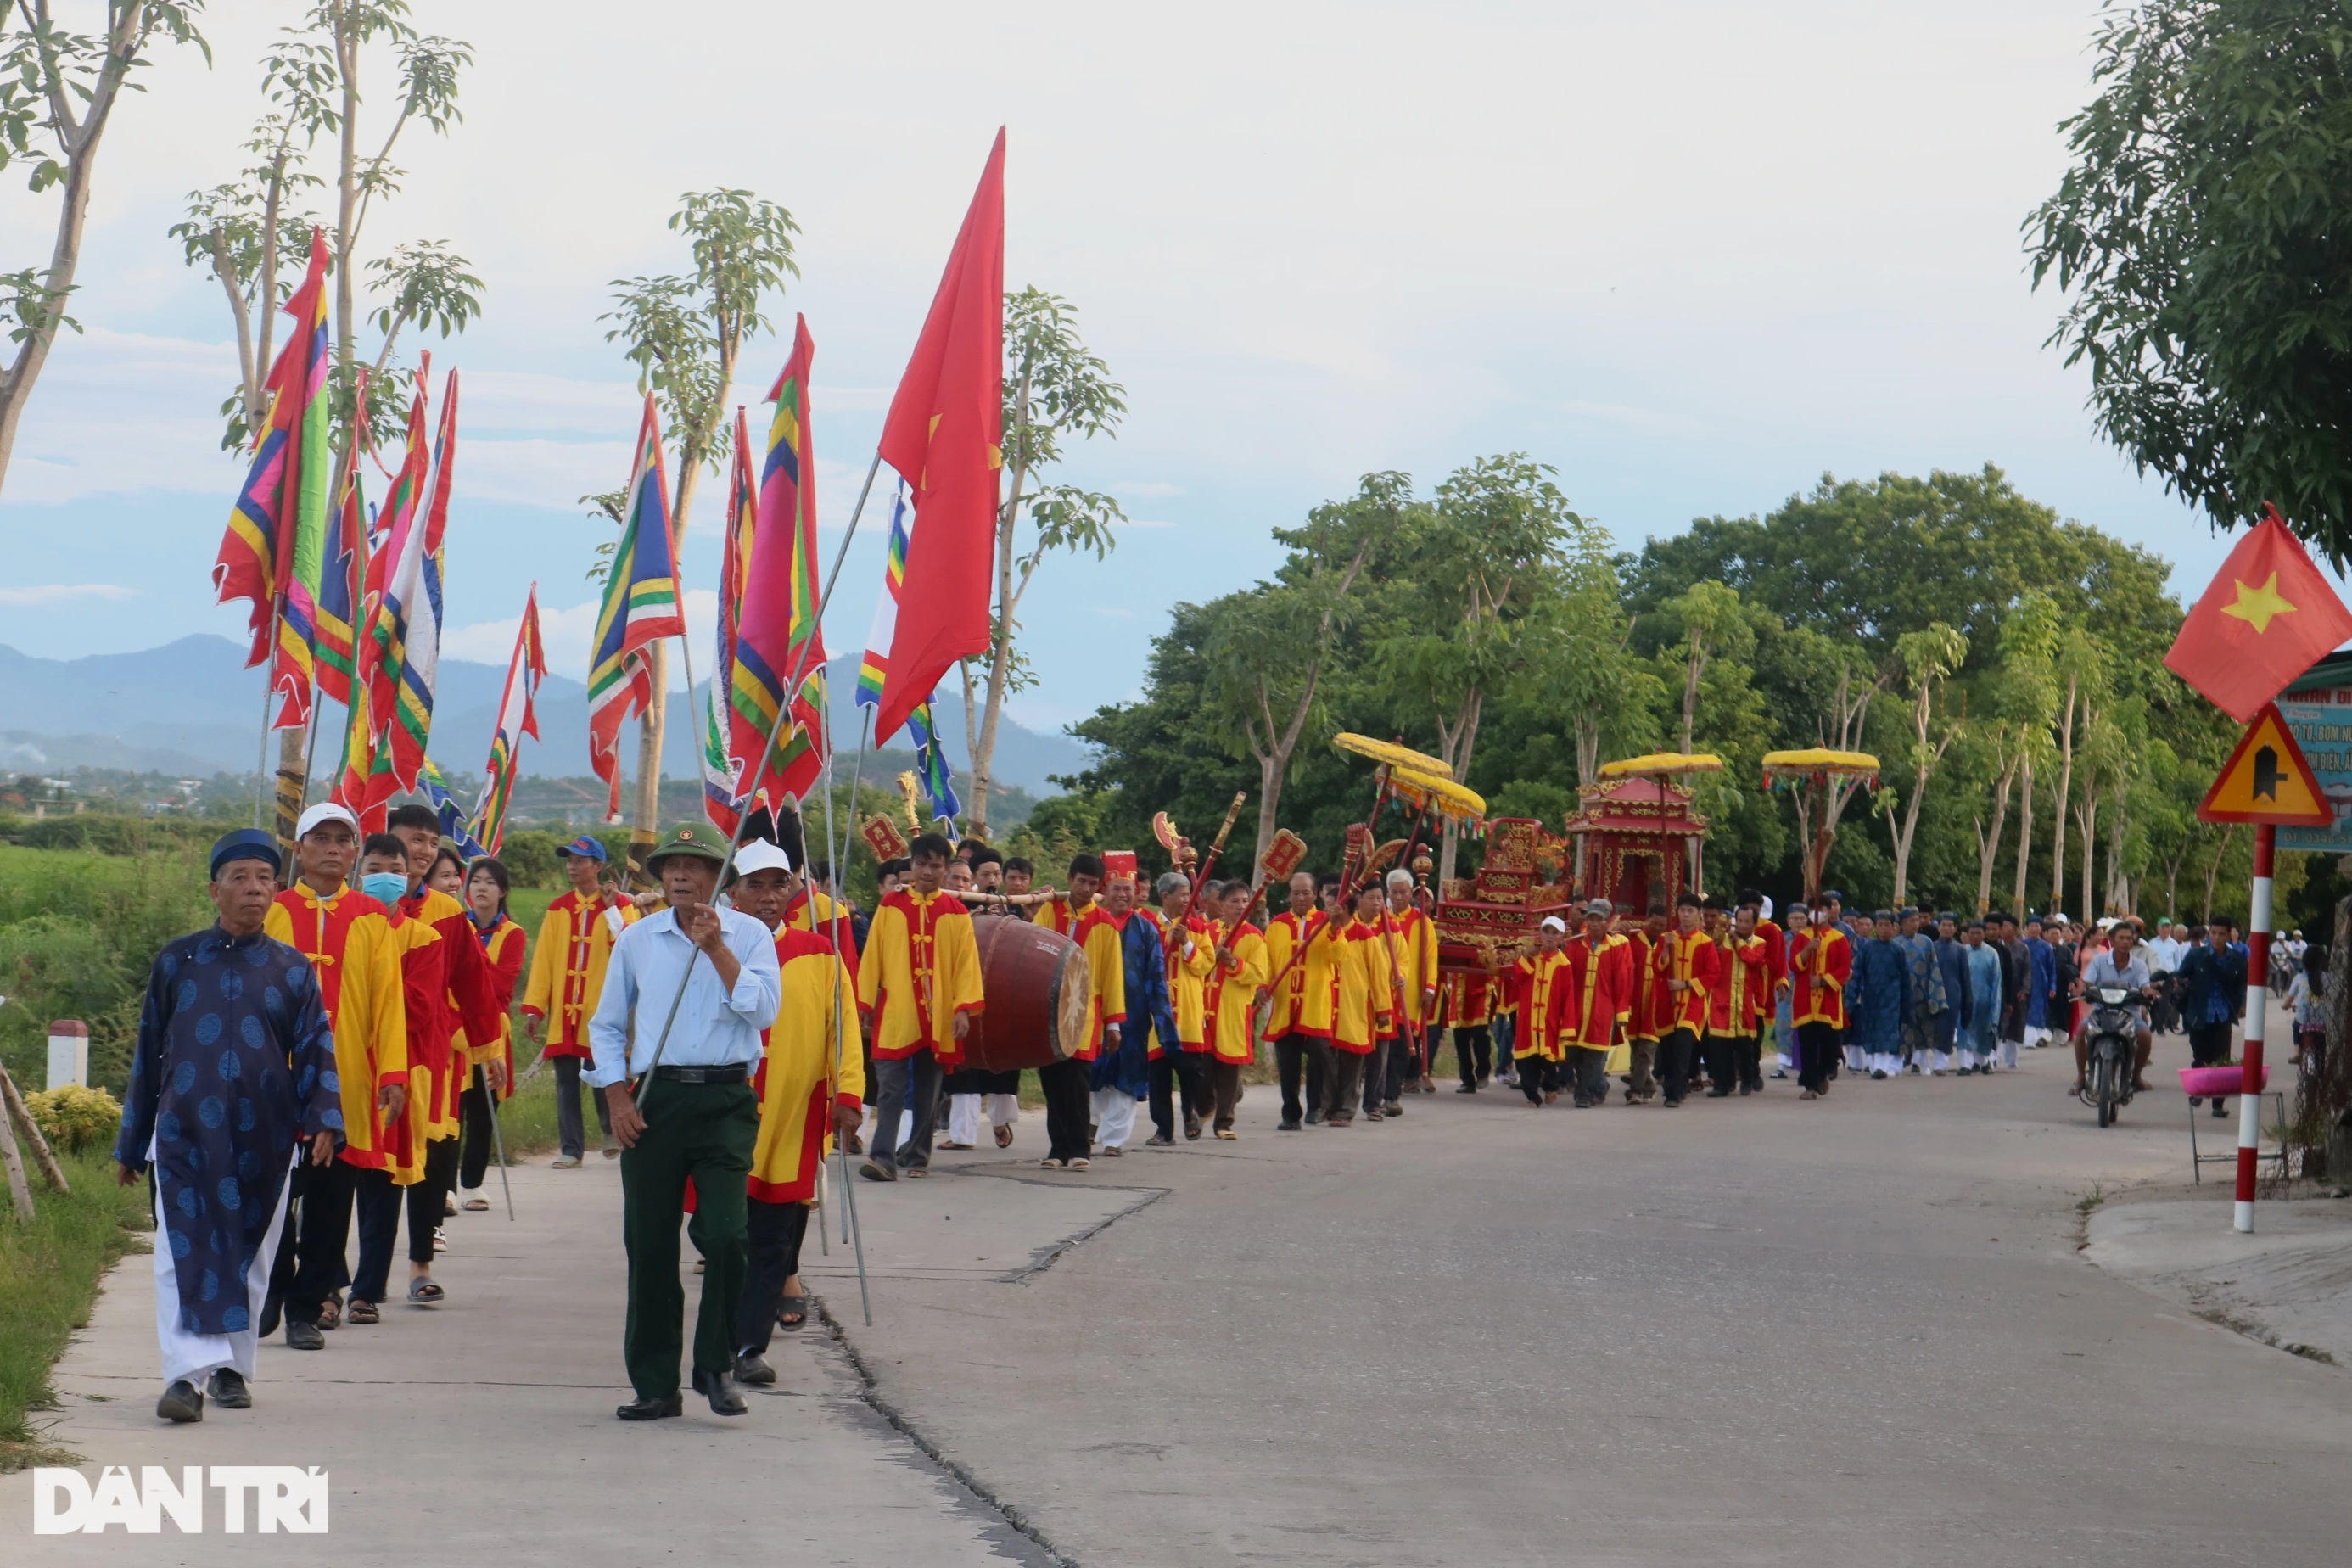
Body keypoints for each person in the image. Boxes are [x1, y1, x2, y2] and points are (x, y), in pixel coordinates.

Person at [115, 829, 343, 1422]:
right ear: (215, 889)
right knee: (178, 1254)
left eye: (264, 879)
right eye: (240, 878)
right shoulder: (178, 961)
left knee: (252, 1255)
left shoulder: (292, 970)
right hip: (184, 1133)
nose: (253, 890)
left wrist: (322, 1117)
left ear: (277, 890)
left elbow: (317, 1047)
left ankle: (233, 1371)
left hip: (265, 1138)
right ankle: (184, 1379)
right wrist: (131, 1141)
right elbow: (148, 1052)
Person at [585, 824, 782, 1420]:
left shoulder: (749, 936)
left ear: (718, 878)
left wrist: (716, 949)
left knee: (726, 1235)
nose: (679, 876)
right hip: (655, 1101)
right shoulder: (638, 941)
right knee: (648, 1244)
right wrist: (618, 1098)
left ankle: (716, 1365)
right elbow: (608, 1024)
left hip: (724, 1101)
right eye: (670, 866)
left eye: (694, 867)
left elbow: (764, 1010)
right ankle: (654, 1383)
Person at [259, 803, 406, 1351]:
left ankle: (305, 1308)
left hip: (345, 1082)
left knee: (329, 1201)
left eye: (343, 840)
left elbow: (390, 1001)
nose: (331, 849)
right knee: (272, 1195)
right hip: (275, 1081)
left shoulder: (372, 916)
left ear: (355, 853)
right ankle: (273, 1287)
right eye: (319, 839)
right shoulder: (273, 911)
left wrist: (393, 1072)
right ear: (298, 851)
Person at [721, 839, 861, 1386]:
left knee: (774, 1236)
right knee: (720, 1234)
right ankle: (725, 1331)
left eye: (779, 885)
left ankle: (749, 1345)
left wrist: (849, 1095)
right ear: (734, 891)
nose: (768, 896)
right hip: (726, 1115)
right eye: (755, 885)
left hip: (793, 1115)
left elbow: (843, 1029)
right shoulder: (712, 948)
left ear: (794, 892)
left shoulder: (819, 952)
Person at [355, 811, 503, 1313]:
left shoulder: (444, 911)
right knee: (364, 1164)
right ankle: (349, 1279)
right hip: (360, 1054)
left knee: (429, 1165)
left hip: (429, 1058)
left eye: (431, 842)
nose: (423, 850)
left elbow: (473, 981)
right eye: (414, 840)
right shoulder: (355, 908)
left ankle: (421, 1267)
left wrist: (489, 1048)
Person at [857, 832, 985, 1180]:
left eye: (935, 865)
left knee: (929, 1089)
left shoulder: (956, 913)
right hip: (898, 1011)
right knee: (890, 1088)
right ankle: (882, 1157)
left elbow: (965, 965)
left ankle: (917, 1154)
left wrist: (962, 1008)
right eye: (922, 864)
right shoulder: (890, 906)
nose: (928, 871)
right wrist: (865, 1000)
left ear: (945, 869)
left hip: (939, 1012)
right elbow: (873, 956)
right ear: (911, 866)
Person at [523, 835, 637, 1168]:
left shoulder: (620, 905)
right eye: (569, 860)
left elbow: (628, 945)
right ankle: (570, 1148)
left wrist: (614, 906)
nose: (573, 866)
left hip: (603, 1012)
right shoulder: (558, 908)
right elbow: (544, 960)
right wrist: (535, 1008)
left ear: (598, 866)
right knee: (566, 1081)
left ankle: (609, 1130)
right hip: (565, 1013)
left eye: (580, 860)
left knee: (604, 1076)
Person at [1042, 853, 1125, 1169]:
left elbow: (1112, 975)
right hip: (1047, 1012)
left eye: (1093, 884)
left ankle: (1079, 1149)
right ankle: (1057, 1149)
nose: (1087, 889)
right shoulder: (1048, 911)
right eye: (1082, 882)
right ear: (1070, 878)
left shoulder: (1105, 924)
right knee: (1051, 1079)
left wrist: (1114, 1023)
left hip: (1084, 1015)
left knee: (1076, 1081)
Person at [453, 855, 522, 1211]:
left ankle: (473, 1185)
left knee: (484, 1109)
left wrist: (468, 967)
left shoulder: (513, 934)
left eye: (490, 882)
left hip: (492, 1030)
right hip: (453, 1029)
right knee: (452, 1109)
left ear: (502, 891)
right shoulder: (453, 926)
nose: (481, 887)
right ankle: (446, 1187)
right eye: (476, 881)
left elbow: (500, 984)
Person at [1089, 854, 1163, 1157]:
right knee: (1093, 1070)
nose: (1122, 894)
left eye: (1128, 888)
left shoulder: (1146, 929)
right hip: (1096, 1007)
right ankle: (1090, 1126)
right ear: (1105, 890)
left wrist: (1159, 1015)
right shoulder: (1092, 920)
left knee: (1127, 1075)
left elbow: (1156, 973)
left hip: (1133, 1012)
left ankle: (1114, 1140)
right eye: (1116, 888)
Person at [1145, 871, 1214, 1144]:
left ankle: (1192, 1112)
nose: (1188, 899)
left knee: (1189, 1070)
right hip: (1158, 1013)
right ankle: (1163, 1130)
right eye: (1183, 894)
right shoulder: (1149, 926)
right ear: (1165, 896)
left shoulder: (1197, 928)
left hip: (1187, 1009)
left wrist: (1186, 942)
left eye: (1189, 894)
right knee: (1159, 1074)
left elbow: (1206, 965)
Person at [1201, 880, 1270, 1137]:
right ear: (1221, 905)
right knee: (1203, 1064)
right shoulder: (1207, 931)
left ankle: (1224, 1122)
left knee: (1229, 1067)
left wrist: (1232, 962)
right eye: (1234, 901)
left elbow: (1259, 973)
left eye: (1244, 901)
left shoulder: (1254, 936)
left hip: (1232, 1008)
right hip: (1205, 1007)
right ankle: (1205, 1108)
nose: (1240, 906)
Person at [1263, 871, 1332, 1124]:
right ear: (1289, 895)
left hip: (1315, 1002)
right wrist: (1263, 985)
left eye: (1306, 892)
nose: (1301, 897)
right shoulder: (1278, 925)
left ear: (1315, 894)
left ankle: (1317, 1106)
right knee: (1288, 1062)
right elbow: (1267, 963)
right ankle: (1290, 1113)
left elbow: (1339, 956)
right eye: (1295, 893)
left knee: (1319, 1055)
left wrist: (1336, 931)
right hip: (1285, 1004)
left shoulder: (1327, 922)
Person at [1323, 882, 1392, 1125]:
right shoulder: (1324, 933)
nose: (1328, 912)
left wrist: (1384, 1009)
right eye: (1327, 907)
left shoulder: (1365, 936)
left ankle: (1346, 1110)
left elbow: (1379, 976)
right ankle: (1328, 1106)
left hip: (1355, 1008)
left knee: (1352, 1061)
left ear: (1346, 909)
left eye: (1333, 907)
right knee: (1328, 1061)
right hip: (1326, 1007)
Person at [1559, 899, 1635, 1106]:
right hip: (1576, 1009)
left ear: (1606, 922)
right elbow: (1565, 978)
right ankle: (1599, 1085)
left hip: (1602, 1011)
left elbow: (1621, 982)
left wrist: (1621, 1013)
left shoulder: (1615, 949)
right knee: (1572, 1053)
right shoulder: (1575, 946)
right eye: (1590, 918)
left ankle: (1583, 1095)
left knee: (1594, 1055)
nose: (1593, 924)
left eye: (1598, 920)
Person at [2072, 918, 2156, 1098]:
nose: (2126, 941)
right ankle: (2080, 1077)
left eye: (2129, 938)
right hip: (2100, 1012)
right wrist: (2082, 989)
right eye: (2122, 938)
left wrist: (2149, 992)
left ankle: (2136, 1075)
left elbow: (2145, 985)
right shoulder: (2099, 961)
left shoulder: (2139, 965)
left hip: (2130, 1013)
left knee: (2145, 1035)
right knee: (2081, 1032)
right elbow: (2087, 982)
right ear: (2112, 940)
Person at [1653, 893, 1720, 1106]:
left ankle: (1675, 1092)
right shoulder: (1666, 938)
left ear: (1698, 915)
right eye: (1682, 910)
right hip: (1668, 1001)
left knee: (1683, 1046)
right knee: (1668, 1049)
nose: (1685, 915)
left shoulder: (1705, 943)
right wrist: (1665, 948)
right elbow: (1657, 968)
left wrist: (1687, 984)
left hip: (1692, 1002)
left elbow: (1713, 974)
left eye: (1690, 911)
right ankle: (1674, 1087)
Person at [1380, 869, 1440, 1103]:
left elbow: (1431, 957)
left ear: (1411, 893)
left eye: (1403, 892)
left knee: (1402, 1045)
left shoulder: (1422, 922)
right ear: (1388, 892)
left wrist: (1430, 989)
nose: (1399, 897)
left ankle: (1392, 1095)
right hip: (1382, 990)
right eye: (1394, 892)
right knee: (1381, 1045)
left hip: (1410, 991)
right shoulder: (1380, 918)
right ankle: (1380, 1091)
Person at [1508, 915, 1573, 1105]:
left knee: (1549, 1059)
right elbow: (1518, 980)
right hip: (1528, 1018)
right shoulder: (1531, 957)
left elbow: (1568, 997)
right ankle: (1532, 1097)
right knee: (1527, 1059)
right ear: (1540, 934)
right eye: (1547, 932)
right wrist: (1526, 956)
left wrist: (1566, 1026)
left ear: (1562, 938)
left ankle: (1551, 1087)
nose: (1550, 937)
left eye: (1555, 933)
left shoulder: (1564, 964)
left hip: (1550, 1019)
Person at [1789, 904, 1851, 1100]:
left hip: (1828, 1000)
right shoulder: (1802, 937)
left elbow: (1844, 969)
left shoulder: (1839, 939)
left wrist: (1824, 980)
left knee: (1829, 1043)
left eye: (1822, 909)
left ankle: (1823, 1072)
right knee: (1807, 1043)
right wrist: (1807, 950)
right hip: (1805, 1000)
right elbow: (1794, 964)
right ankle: (1810, 1085)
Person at [1711, 901, 1771, 1095]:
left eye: (1747, 922)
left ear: (1755, 924)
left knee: (1745, 1046)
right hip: (1723, 999)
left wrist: (1737, 941)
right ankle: (1723, 1084)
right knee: (1721, 1046)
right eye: (1740, 921)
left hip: (1746, 1000)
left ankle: (1747, 1079)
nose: (1743, 925)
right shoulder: (1724, 941)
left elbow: (1753, 960)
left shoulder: (1760, 943)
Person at [1847, 910, 1904, 1079]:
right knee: (1870, 1030)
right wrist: (1850, 999)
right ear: (1875, 928)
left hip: (1892, 997)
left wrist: (1906, 1003)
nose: (1884, 928)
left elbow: (1905, 978)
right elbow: (1857, 974)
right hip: (1870, 996)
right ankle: (1873, 1066)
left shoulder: (1898, 950)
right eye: (1881, 925)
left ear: (1894, 928)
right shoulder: (1867, 948)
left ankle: (1882, 1067)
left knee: (1886, 1030)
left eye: (1888, 925)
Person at [1895, 907, 1946, 1074]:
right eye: (1911, 921)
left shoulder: (1926, 942)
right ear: (1902, 924)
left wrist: (1936, 994)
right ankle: (1897, 1063)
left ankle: (1924, 1063)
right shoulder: (1896, 943)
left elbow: (1934, 968)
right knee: (1902, 1028)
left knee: (1925, 1028)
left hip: (1922, 993)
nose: (1916, 924)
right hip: (1902, 994)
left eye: (1917, 920)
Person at [1444, 968, 1499, 1094]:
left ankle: (1483, 1071)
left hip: (1481, 989)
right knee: (1460, 1036)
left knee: (1479, 1033)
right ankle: (1467, 1080)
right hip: (1459, 990)